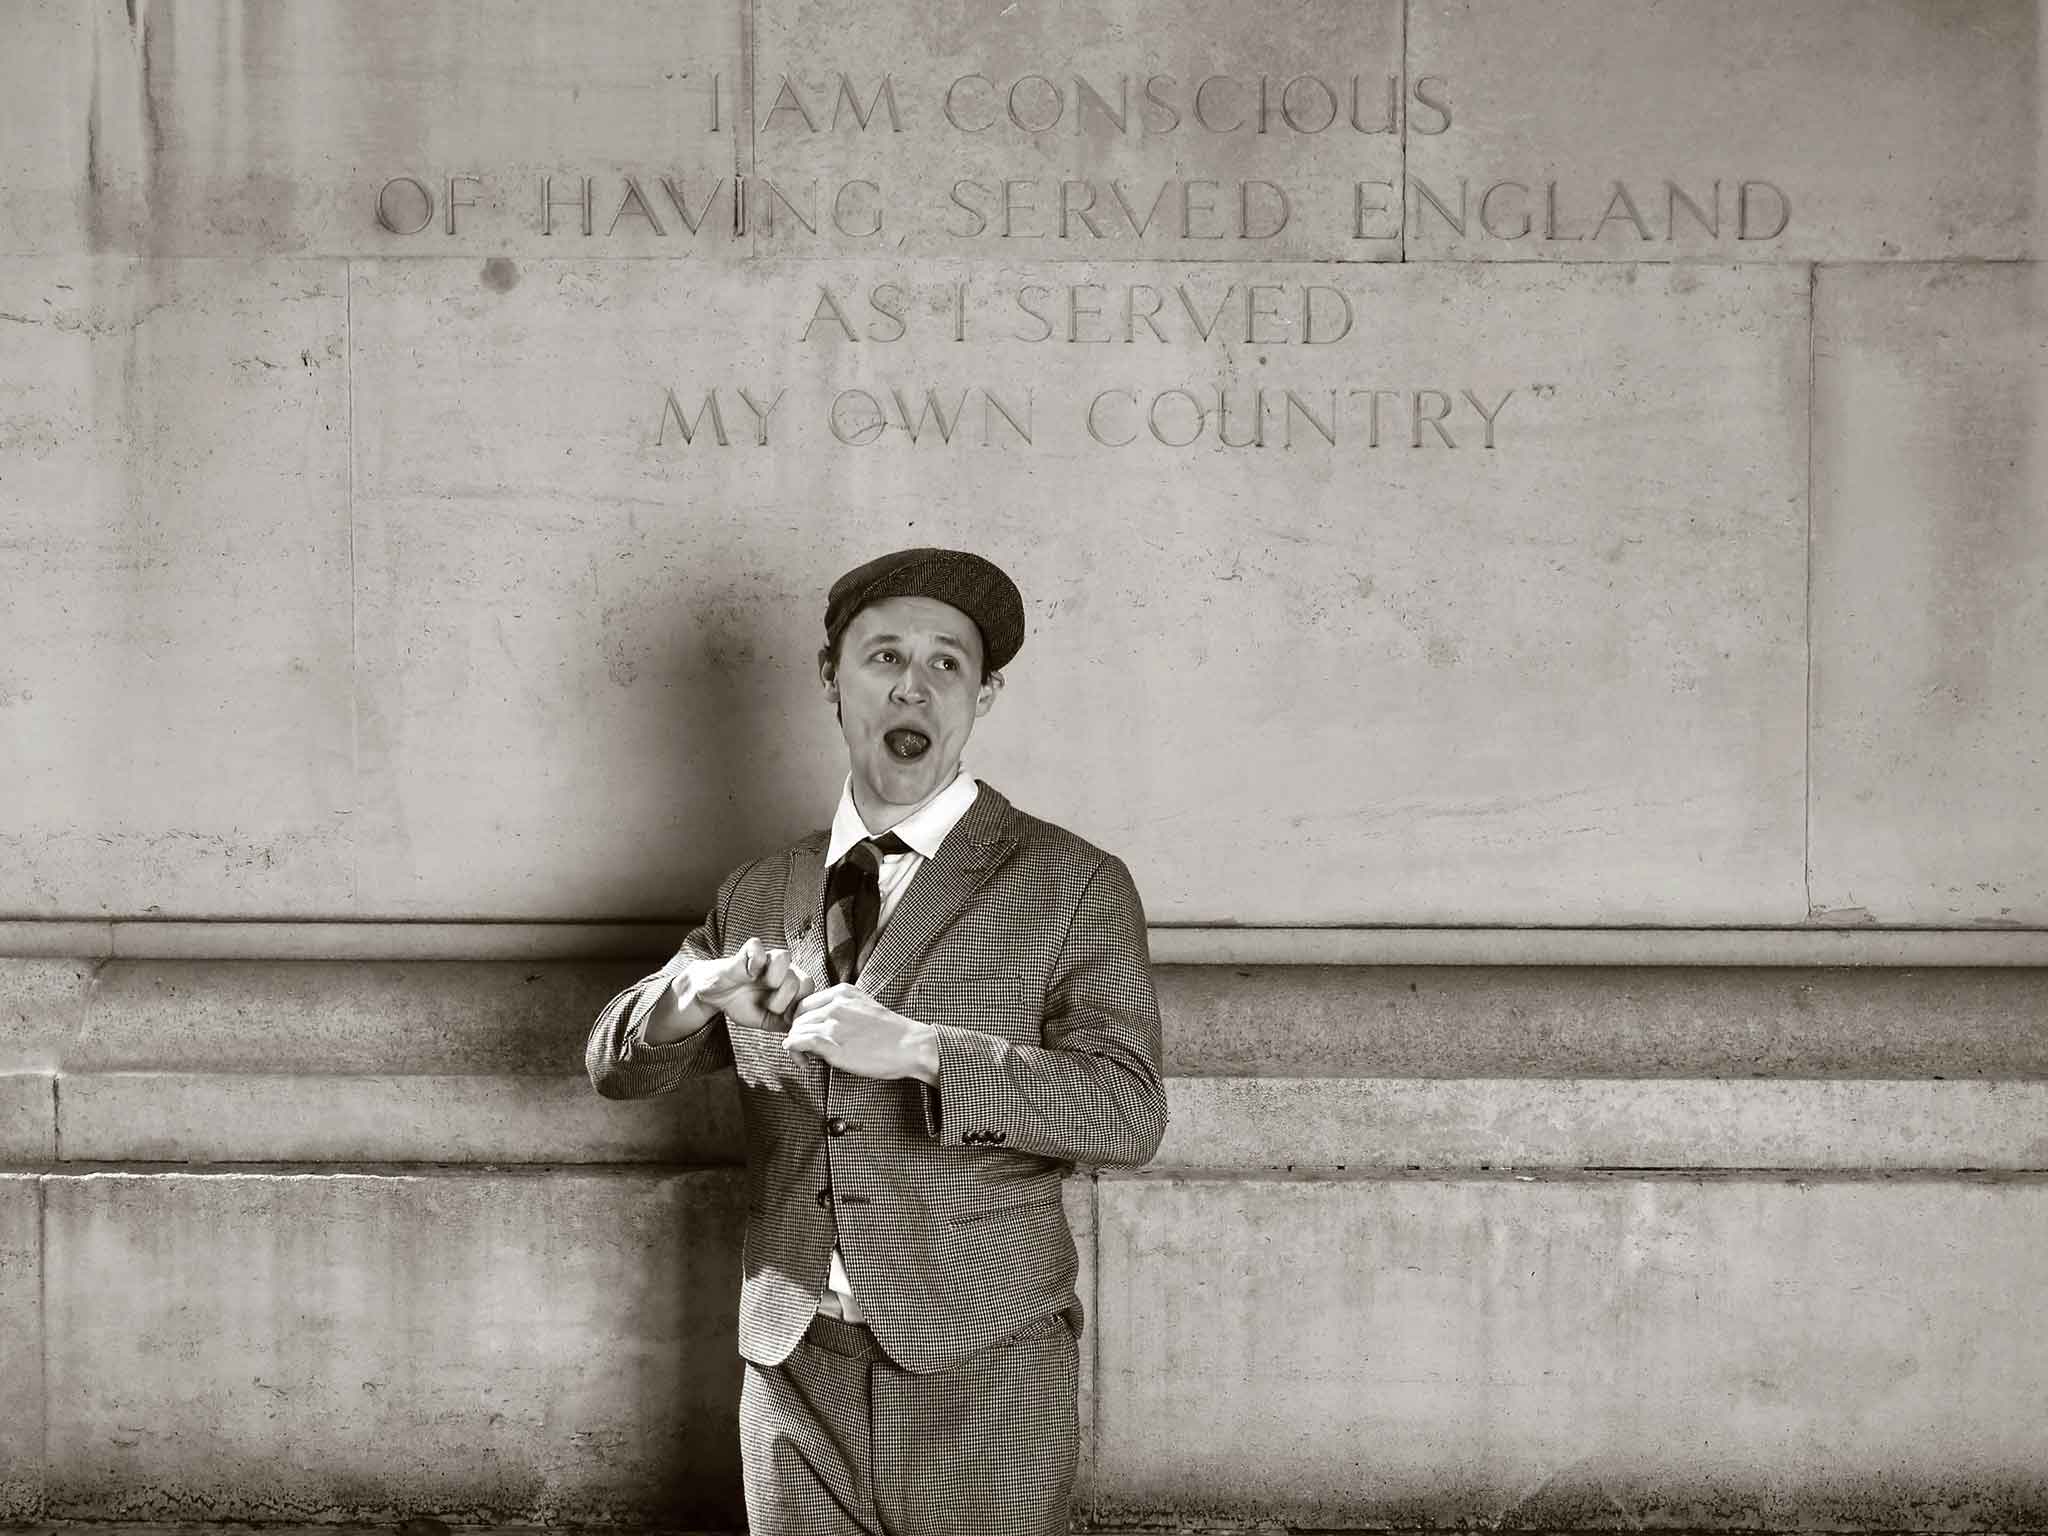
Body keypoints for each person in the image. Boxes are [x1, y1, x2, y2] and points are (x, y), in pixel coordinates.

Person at [585, 547, 1168, 1536]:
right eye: (883, 654)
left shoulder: (1071, 883)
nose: (914, 682)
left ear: (984, 693)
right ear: (832, 679)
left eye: (947, 662)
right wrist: (692, 992)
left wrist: (922, 1051)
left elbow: (1126, 1110)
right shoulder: (760, 889)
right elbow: (613, 1063)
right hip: (792, 1364)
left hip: (986, 1364)